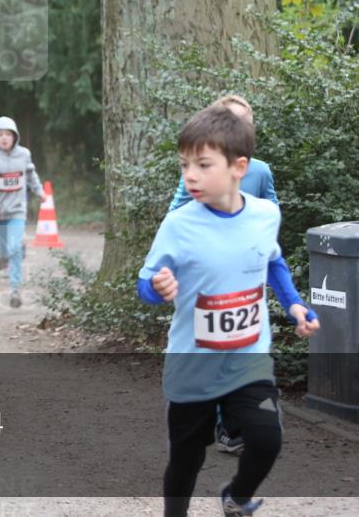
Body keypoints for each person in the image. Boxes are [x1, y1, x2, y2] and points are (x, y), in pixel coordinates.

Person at [137, 105, 319, 517]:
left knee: (266, 438)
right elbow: (144, 284)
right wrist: (157, 287)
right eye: (185, 165)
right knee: (187, 458)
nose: (191, 175)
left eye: (203, 164)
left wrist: (293, 303)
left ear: (240, 166)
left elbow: (271, 261)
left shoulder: (264, 214)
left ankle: (236, 497)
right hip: (192, 363)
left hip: (247, 359)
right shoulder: (179, 224)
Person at [169, 95, 280, 455]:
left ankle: (239, 421)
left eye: (245, 122)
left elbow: (271, 210)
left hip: (245, 273)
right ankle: (218, 420)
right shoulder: (199, 172)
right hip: (206, 272)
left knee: (246, 344)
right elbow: (178, 209)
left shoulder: (260, 171)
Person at [0, 116, 46, 308]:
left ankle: (15, 290)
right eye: (0, 135)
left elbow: (31, 175)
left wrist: (39, 191)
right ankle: (2, 257)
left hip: (17, 211)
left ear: (15, 136)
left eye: (8, 134)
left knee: (15, 248)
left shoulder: (24, 154)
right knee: (3, 250)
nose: (4, 138)